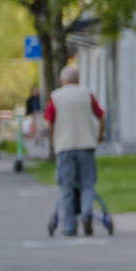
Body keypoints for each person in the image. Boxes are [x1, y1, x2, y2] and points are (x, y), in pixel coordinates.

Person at [44, 66, 105, 235]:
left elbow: (48, 122)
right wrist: (99, 135)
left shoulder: (55, 97)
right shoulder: (87, 94)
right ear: (78, 80)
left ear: (62, 81)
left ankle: (69, 227)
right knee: (87, 184)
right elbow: (101, 115)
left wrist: (51, 138)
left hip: (64, 147)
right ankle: (86, 214)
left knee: (66, 187)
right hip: (86, 145)